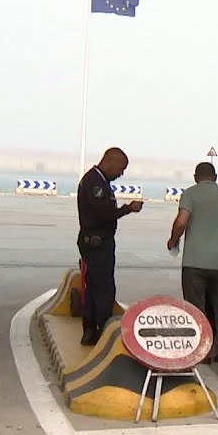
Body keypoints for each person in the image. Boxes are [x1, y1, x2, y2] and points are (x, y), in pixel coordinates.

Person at [168, 162, 218, 364]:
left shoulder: (191, 194)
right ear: (215, 176)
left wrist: (174, 239)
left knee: (196, 307)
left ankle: (203, 351)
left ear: (195, 177)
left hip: (195, 262)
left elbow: (181, 222)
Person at [77, 148, 143, 346]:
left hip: (96, 242)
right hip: (97, 244)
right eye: (120, 169)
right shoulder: (95, 182)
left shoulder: (99, 181)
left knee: (93, 287)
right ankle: (102, 330)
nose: (121, 174)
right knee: (103, 289)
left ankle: (91, 331)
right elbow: (105, 214)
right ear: (109, 162)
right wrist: (128, 209)